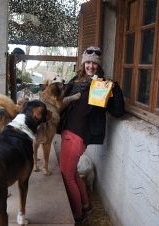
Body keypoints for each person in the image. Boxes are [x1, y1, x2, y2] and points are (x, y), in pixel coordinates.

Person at [58, 46, 125, 222]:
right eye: (87, 62)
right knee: (71, 174)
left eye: (94, 64)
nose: (90, 66)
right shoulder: (77, 80)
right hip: (68, 130)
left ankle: (78, 214)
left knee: (66, 175)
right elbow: (61, 101)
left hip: (77, 135)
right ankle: (86, 205)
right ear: (83, 64)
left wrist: (114, 89)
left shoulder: (100, 85)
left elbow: (117, 111)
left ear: (98, 66)